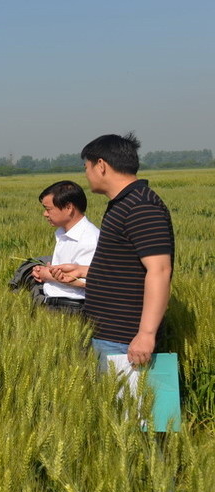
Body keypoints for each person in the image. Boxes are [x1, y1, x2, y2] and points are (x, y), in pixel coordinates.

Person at [50, 133, 174, 370]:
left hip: (124, 339)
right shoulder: (124, 204)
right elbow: (128, 267)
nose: (86, 175)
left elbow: (159, 270)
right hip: (109, 334)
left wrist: (146, 334)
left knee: (124, 397)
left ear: (101, 165)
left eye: (86, 167)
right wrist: (83, 270)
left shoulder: (141, 206)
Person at [30, 180, 100, 313]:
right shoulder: (63, 233)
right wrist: (43, 271)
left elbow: (89, 281)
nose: (45, 214)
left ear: (69, 208)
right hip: (56, 305)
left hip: (73, 308)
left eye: (48, 209)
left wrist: (47, 274)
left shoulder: (89, 238)